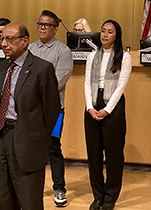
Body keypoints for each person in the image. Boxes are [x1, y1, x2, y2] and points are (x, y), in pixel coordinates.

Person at [0, 22, 60, 210]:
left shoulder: (41, 68)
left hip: (27, 141)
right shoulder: (1, 68)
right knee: (1, 199)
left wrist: (36, 137)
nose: (4, 43)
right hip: (2, 137)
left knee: (29, 200)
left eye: (10, 39)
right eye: (2, 38)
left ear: (25, 41)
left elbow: (52, 109)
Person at [84, 20, 132, 210]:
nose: (105, 35)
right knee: (94, 155)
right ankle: (98, 196)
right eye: (103, 31)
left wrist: (107, 110)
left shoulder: (124, 57)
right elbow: (87, 82)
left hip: (113, 107)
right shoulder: (92, 55)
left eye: (109, 32)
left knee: (113, 155)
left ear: (116, 36)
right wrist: (89, 107)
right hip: (92, 105)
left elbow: (121, 86)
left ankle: (110, 197)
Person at [28, 11, 74, 207]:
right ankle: (30, 188)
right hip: (29, 108)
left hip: (53, 109)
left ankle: (59, 189)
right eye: (40, 24)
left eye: (47, 25)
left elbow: (57, 81)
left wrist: (32, 91)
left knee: (53, 148)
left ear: (56, 28)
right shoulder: (28, 48)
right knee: (29, 148)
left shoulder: (63, 51)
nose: (43, 27)